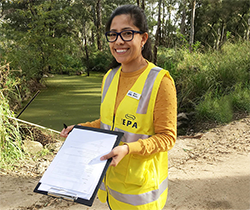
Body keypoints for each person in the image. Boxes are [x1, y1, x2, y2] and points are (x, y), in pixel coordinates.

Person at [60, 4, 177, 210]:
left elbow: (167, 137)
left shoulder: (160, 81)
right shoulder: (110, 76)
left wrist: (128, 148)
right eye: (113, 35)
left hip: (141, 193)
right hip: (111, 185)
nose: (119, 41)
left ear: (143, 38)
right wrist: (81, 129)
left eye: (127, 33)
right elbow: (109, 123)